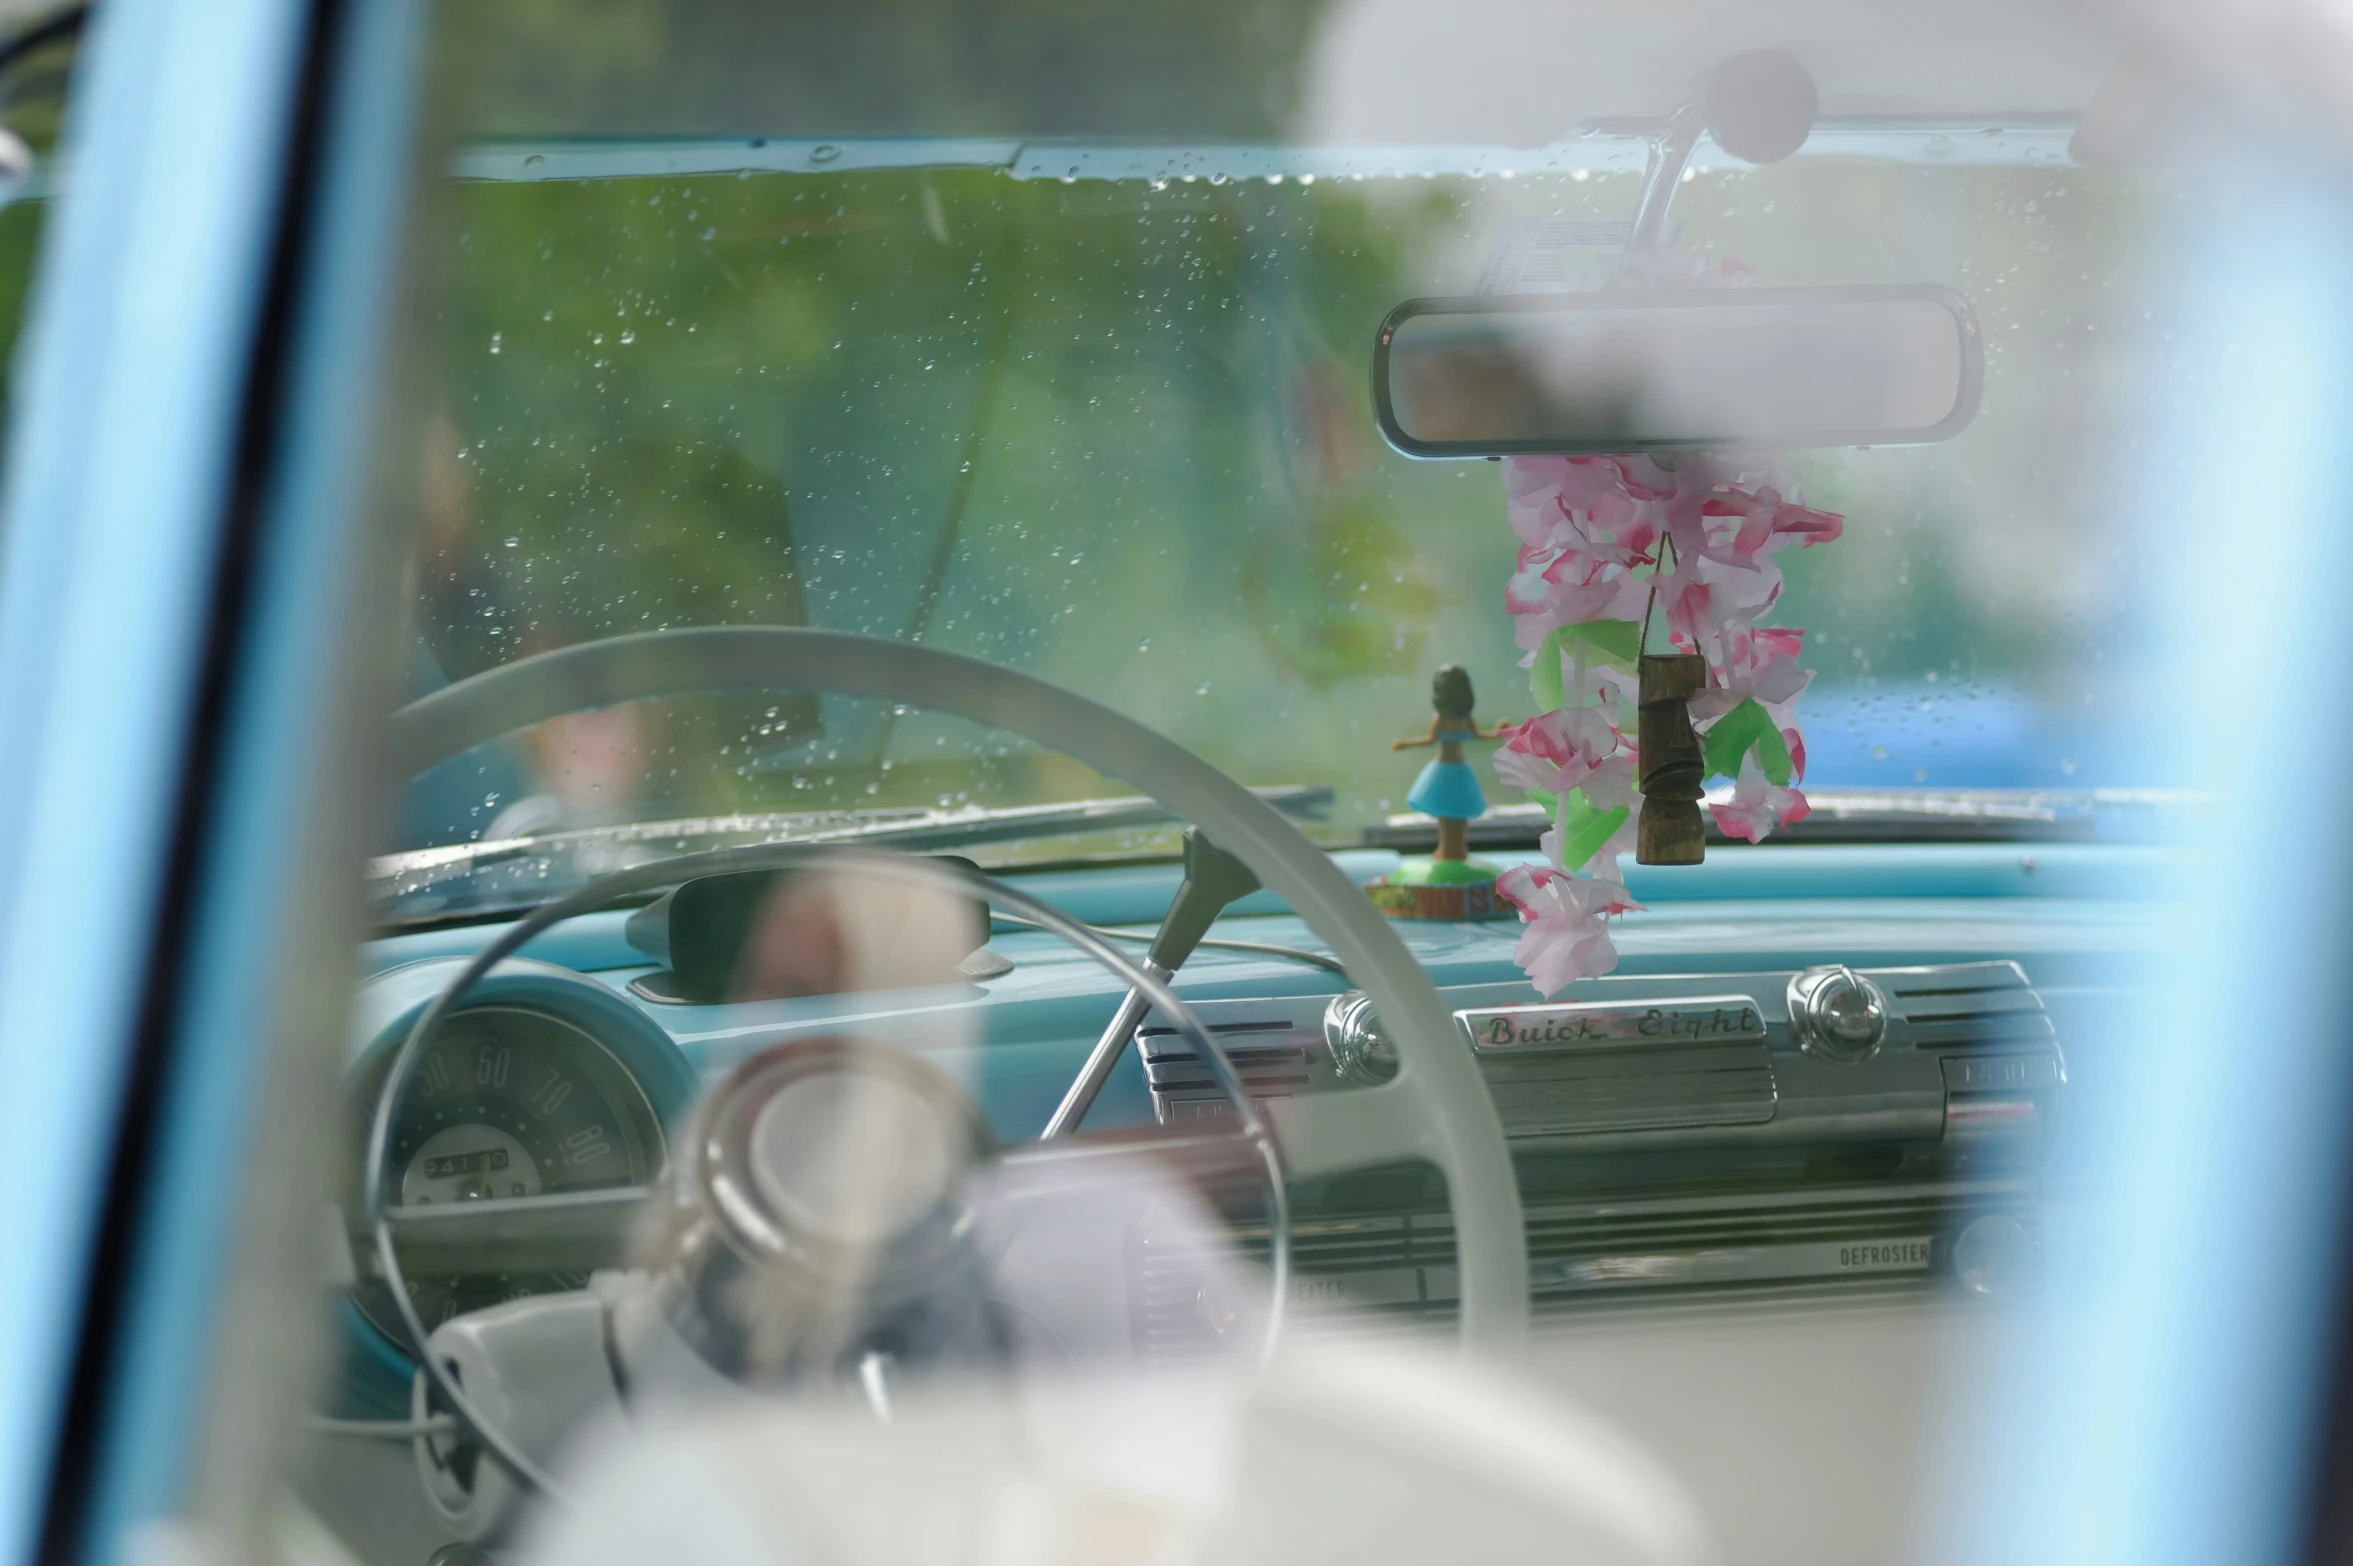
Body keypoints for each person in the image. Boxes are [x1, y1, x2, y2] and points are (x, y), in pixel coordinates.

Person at [1391, 665, 1512, 867]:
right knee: (1447, 817)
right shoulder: (1444, 719)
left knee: (1457, 815)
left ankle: (1457, 849)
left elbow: (1477, 736)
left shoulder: (1463, 719)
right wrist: (1406, 744)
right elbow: (1430, 740)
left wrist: (1497, 734)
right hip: (1445, 770)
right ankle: (1448, 849)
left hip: (1456, 771)